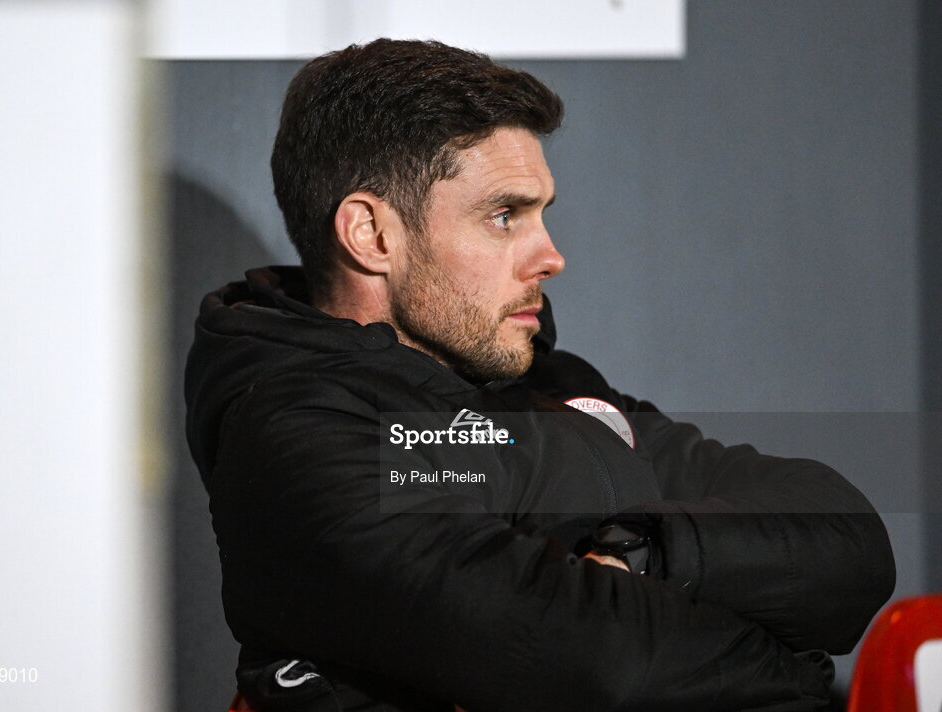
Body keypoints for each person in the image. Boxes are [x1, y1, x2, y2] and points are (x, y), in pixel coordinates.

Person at [184, 39, 895, 711]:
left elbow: (848, 543)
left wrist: (637, 552)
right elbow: (599, 664)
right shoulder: (296, 433)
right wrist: (791, 669)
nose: (551, 256)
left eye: (540, 214)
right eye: (504, 216)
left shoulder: (553, 383)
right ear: (372, 235)